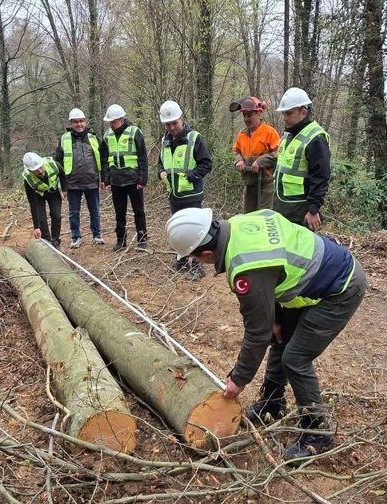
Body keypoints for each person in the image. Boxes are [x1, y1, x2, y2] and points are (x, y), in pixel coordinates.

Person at [165, 207, 366, 460]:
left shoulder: (246, 267)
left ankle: (318, 433)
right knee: (279, 339)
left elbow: (256, 332)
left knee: (295, 358)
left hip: (340, 288)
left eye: (195, 258)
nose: (198, 263)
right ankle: (273, 403)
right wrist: (275, 318)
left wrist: (238, 379)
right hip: (310, 277)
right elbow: (273, 274)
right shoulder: (238, 224)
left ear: (206, 253)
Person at [156, 100, 213, 281]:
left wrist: (190, 175)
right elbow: (160, 163)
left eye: (175, 123)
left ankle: (197, 266)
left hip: (191, 194)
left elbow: (206, 164)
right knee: (177, 229)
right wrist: (160, 173)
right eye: (168, 124)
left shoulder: (195, 138)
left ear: (182, 118)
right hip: (174, 194)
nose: (172, 127)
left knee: (196, 231)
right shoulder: (164, 141)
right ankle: (181, 259)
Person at [273, 87, 332, 231]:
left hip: (300, 209)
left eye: (289, 113)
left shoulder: (316, 138)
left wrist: (313, 209)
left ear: (303, 112)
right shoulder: (289, 134)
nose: (285, 117)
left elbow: (321, 176)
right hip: (283, 205)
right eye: (283, 113)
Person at [99, 104, 148, 251]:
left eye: (113, 121)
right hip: (116, 181)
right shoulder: (107, 136)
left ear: (121, 119)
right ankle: (121, 240)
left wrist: (142, 179)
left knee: (138, 211)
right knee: (119, 213)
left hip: (133, 181)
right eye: (110, 121)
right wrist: (106, 180)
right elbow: (104, 159)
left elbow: (142, 158)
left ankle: (142, 239)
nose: (111, 124)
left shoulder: (135, 132)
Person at [55, 107, 104, 249]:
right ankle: (75, 237)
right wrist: (61, 184)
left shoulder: (93, 137)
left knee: (94, 210)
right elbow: (58, 161)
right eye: (76, 122)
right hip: (72, 182)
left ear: (85, 122)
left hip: (91, 180)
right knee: (73, 212)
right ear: (70, 123)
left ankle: (97, 234)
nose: (79, 124)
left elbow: (102, 157)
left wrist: (102, 178)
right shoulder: (64, 138)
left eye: (81, 121)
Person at [231, 97, 280, 213]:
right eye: (244, 115)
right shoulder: (241, 134)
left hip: (265, 184)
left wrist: (260, 161)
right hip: (249, 184)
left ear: (258, 113)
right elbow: (235, 151)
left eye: (249, 115)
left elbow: (278, 154)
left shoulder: (269, 132)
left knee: (264, 218)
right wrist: (238, 160)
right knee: (249, 217)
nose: (246, 118)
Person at [22, 152, 64, 248]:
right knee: (42, 220)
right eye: (36, 170)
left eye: (41, 167)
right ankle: (47, 242)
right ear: (30, 170)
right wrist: (36, 227)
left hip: (54, 192)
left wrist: (64, 190)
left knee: (56, 215)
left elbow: (62, 175)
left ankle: (55, 240)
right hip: (38, 196)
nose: (40, 171)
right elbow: (32, 203)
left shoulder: (53, 164)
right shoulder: (28, 178)